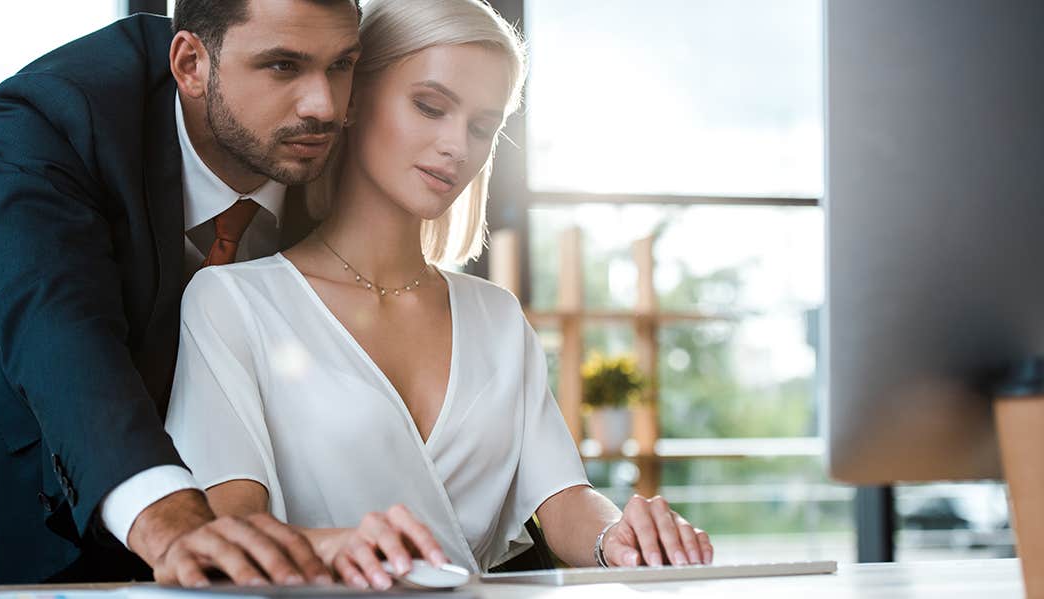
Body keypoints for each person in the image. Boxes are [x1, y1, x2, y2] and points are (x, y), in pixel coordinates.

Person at [165, 0, 714, 590]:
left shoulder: (497, 316)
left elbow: (566, 503)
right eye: (430, 107)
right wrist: (338, 548)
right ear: (353, 100)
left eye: (483, 127)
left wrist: (622, 540)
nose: (458, 146)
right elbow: (231, 524)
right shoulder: (232, 302)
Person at [0, 0, 363, 586]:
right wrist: (172, 522)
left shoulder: (349, 116)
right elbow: (57, 324)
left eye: (342, 64)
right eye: (281, 67)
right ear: (191, 64)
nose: (324, 107)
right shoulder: (55, 110)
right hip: (54, 442)